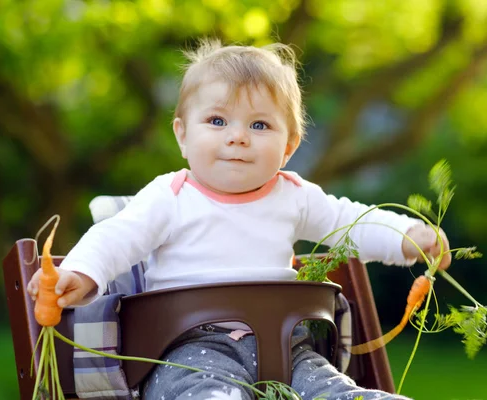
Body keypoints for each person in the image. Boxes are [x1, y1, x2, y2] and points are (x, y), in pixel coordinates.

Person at [27, 39, 450, 400]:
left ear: (289, 147)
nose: (237, 136)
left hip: (288, 346)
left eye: (260, 124)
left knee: (330, 390)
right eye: (217, 120)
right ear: (182, 134)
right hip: (186, 348)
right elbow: (116, 238)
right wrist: (80, 273)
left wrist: (406, 236)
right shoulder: (169, 197)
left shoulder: (294, 195)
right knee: (206, 393)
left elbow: (350, 222)